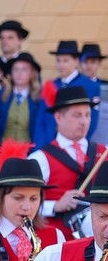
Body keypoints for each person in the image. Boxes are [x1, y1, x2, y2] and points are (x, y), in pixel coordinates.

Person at [28, 86, 106, 237]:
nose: (84, 121)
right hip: (57, 244)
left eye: (87, 115)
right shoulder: (40, 158)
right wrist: (55, 205)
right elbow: (21, 205)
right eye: (77, 115)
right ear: (58, 117)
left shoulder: (104, 153)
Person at [37, 40, 102, 147]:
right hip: (50, 146)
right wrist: (41, 147)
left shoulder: (91, 86)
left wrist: (77, 144)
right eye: (58, 61)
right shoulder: (51, 85)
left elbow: (93, 121)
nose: (60, 65)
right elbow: (41, 121)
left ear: (76, 61)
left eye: (65, 61)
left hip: (76, 146)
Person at [0, 53, 45, 146]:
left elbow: (41, 129)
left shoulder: (39, 99)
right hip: (3, 151)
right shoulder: (1, 96)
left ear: (32, 73)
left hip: (28, 152)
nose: (19, 74)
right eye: (16, 69)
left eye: (24, 69)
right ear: (11, 73)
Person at [83, 44, 108, 146]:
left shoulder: (105, 87)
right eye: (85, 62)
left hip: (101, 140)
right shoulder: (73, 86)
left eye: (93, 62)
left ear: (99, 63)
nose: (88, 66)